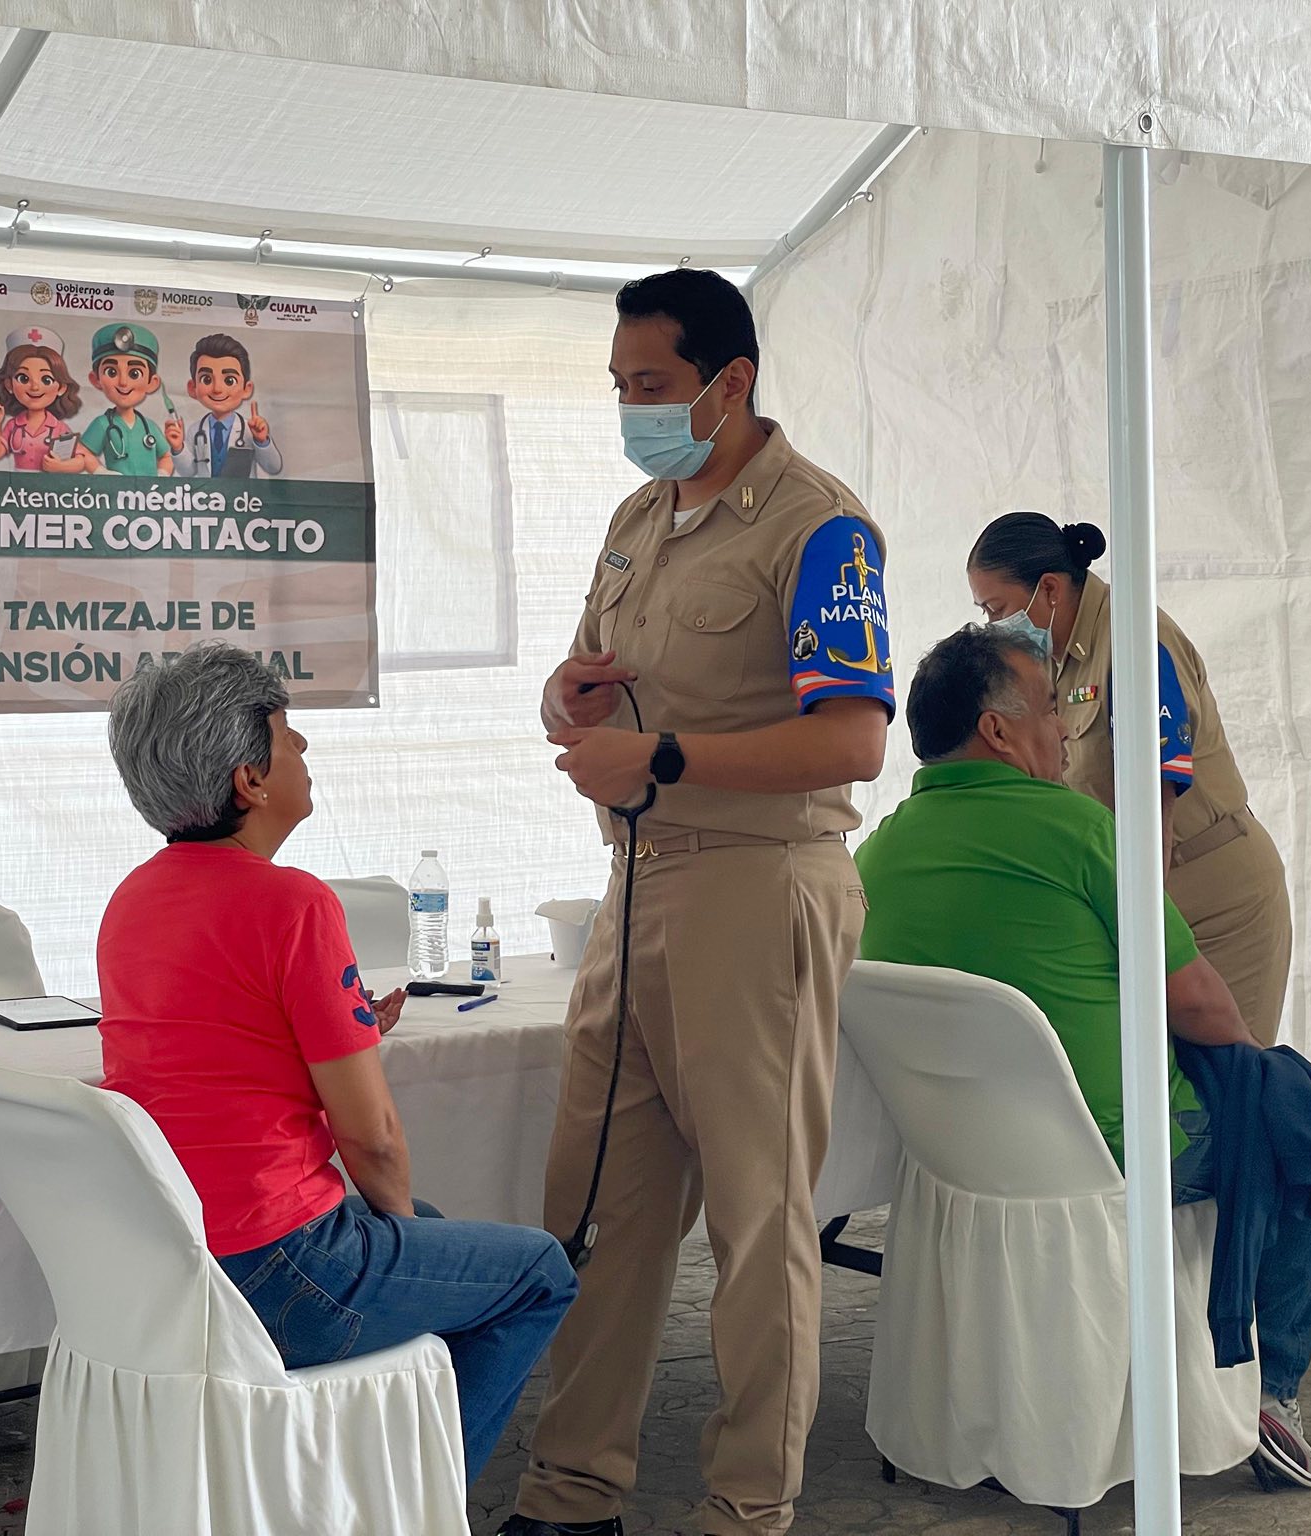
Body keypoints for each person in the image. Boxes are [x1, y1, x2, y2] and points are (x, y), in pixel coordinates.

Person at [499, 269, 894, 1536]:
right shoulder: (638, 515)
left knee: (755, 1225)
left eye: (653, 385)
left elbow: (851, 742)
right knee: (596, 1207)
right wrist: (565, 697)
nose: (633, 408)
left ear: (731, 382)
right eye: (619, 386)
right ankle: (572, 1491)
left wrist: (661, 756)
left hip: (754, 892)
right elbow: (597, 680)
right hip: (634, 888)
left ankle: (746, 1507)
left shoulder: (818, 528)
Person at [853, 624, 1311, 1489]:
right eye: (1049, 709)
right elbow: (1198, 1004)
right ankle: (1270, 1388)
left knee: (1284, 1106)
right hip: (1120, 1147)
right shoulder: (1082, 829)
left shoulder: (879, 849)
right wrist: (1247, 1066)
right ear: (998, 730)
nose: (1065, 729)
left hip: (959, 1161)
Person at [96, 643, 577, 1480]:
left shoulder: (132, 898)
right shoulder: (292, 903)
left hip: (179, 1263)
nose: (304, 746)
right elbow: (374, 1140)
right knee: (538, 1270)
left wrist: (342, 1038)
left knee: (430, 1224)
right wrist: (403, 1230)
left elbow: (215, 1055)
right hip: (281, 1267)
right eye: (288, 734)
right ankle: (420, 1505)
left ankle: (356, 1471)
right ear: (250, 779)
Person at [967, 513, 1294, 1046]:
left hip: (1216, 898)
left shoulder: (1135, 637)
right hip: (1141, 890)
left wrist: (1139, 925)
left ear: (1048, 589)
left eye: (997, 609)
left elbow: (1154, 798)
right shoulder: (1051, 659)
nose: (993, 626)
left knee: (1230, 1077)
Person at [0, 325, 95, 472]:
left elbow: (80, 460)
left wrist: (61, 466)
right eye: (23, 378)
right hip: (18, 482)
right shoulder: (13, 425)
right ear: (9, 385)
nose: (35, 387)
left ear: (61, 387)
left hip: (46, 484)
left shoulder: (58, 428)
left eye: (46, 380)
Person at [79, 322, 183, 476]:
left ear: (152, 383)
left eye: (134, 374)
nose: (123, 382)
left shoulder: (149, 427)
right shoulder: (102, 424)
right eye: (111, 372)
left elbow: (166, 456)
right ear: (96, 380)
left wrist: (162, 474)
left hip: (149, 490)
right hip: (116, 490)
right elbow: (82, 452)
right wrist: (101, 472)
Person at [184, 333, 284, 478]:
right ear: (193, 388)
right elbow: (188, 471)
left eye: (229, 381)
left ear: (246, 389)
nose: (217, 389)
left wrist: (262, 441)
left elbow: (273, 467)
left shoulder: (250, 430)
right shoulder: (195, 430)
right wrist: (178, 448)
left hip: (242, 492)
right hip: (206, 492)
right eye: (206, 379)